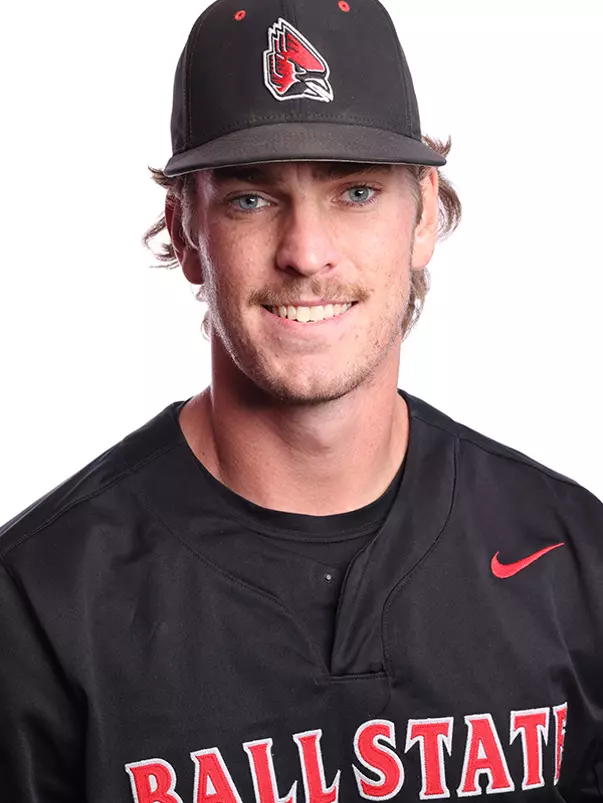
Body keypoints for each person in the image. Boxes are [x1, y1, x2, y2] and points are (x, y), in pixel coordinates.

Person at [1, 0, 602, 799]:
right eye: (251, 199)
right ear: (185, 231)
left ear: (424, 213)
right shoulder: (38, 602)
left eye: (355, 192)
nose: (306, 253)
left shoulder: (571, 556)